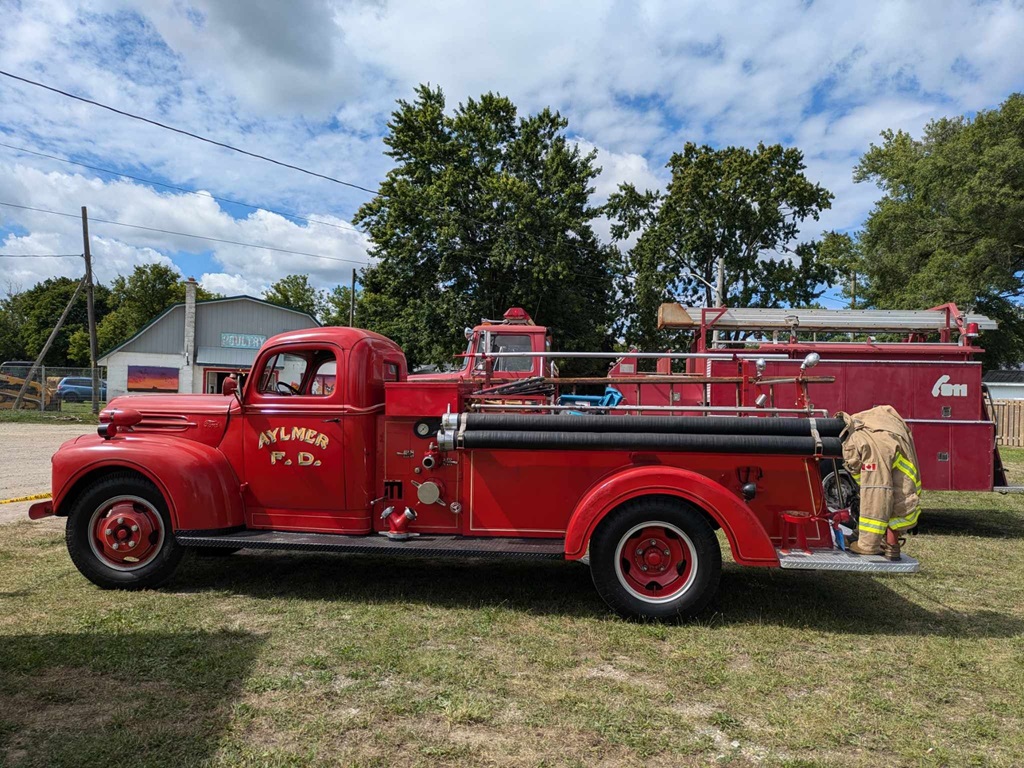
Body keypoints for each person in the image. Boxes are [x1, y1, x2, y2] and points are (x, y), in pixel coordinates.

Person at [838, 405, 922, 560]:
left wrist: (866, 545)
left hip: (880, 454)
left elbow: (876, 495)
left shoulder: (866, 441)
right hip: (895, 453)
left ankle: (872, 545)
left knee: (877, 495)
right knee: (897, 497)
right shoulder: (883, 428)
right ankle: (891, 545)